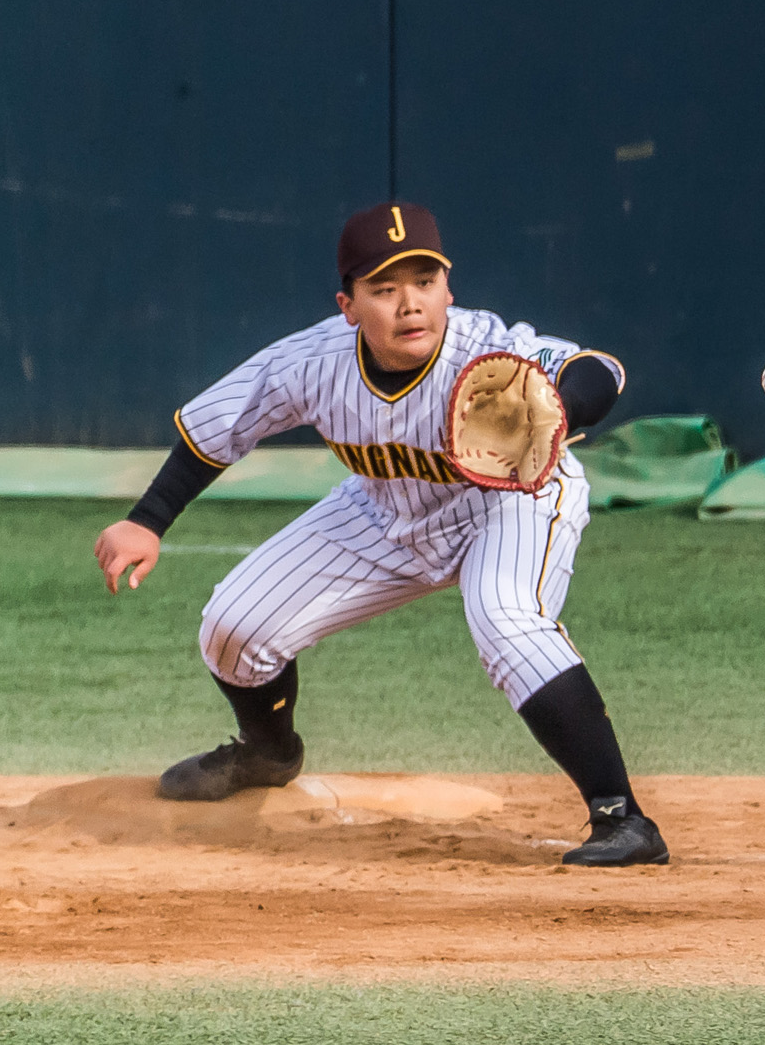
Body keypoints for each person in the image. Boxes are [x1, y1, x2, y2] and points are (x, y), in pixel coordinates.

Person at [92, 202, 668, 867]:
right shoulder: (313, 362)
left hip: (513, 504)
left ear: (448, 289)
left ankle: (622, 816)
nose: (409, 304)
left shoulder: (484, 347)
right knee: (232, 625)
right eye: (385, 289)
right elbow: (220, 425)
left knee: (508, 618)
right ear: (348, 304)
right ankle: (268, 750)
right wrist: (147, 519)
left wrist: (557, 407)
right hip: (385, 511)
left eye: (424, 282)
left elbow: (600, 369)